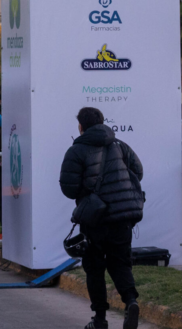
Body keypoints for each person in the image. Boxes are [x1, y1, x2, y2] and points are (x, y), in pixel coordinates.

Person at [59, 107, 144, 329]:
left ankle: (99, 319)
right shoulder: (120, 145)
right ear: (102, 122)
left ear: (81, 126)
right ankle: (131, 302)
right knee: (121, 262)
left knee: (94, 268)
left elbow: (69, 188)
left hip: (95, 219)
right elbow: (138, 172)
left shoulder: (76, 151)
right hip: (123, 217)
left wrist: (89, 193)